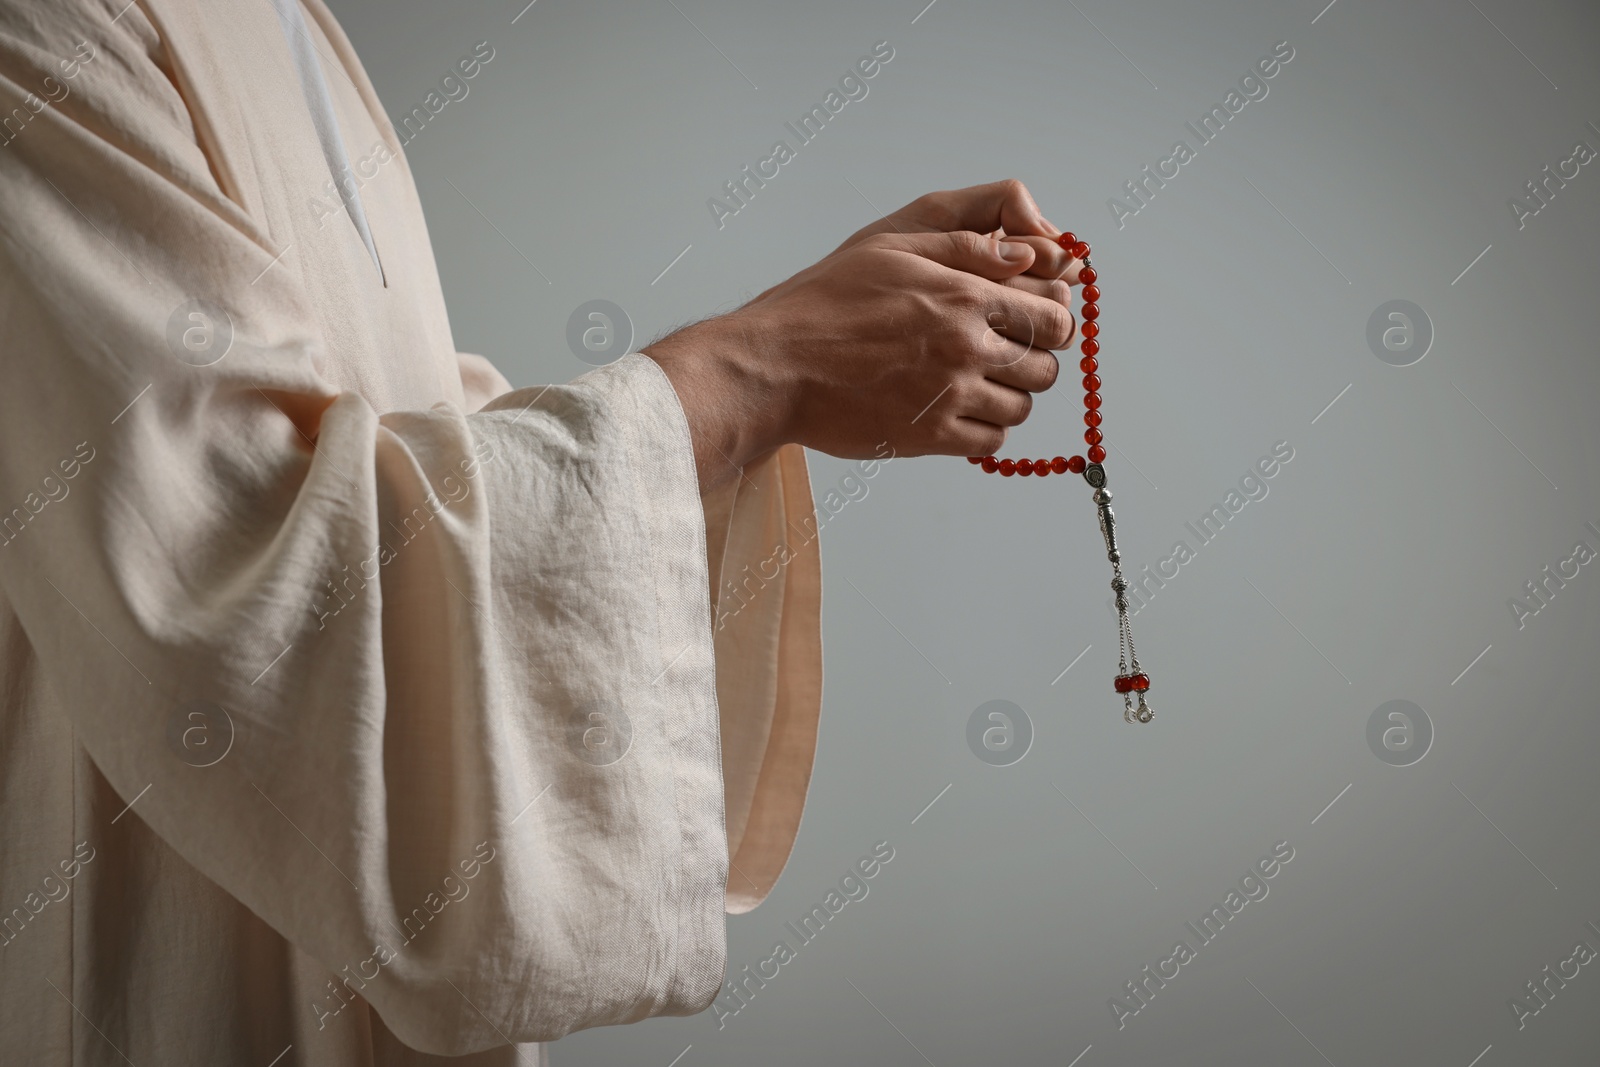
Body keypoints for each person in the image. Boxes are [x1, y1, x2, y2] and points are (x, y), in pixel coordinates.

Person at [0, 0, 1082, 1062]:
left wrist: (798, 342)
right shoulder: (44, 27)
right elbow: (242, 558)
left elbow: (401, 459)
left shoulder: (300, 31)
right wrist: (758, 370)